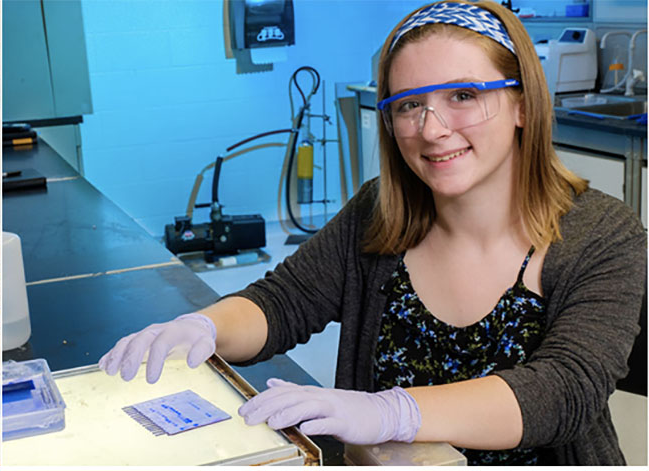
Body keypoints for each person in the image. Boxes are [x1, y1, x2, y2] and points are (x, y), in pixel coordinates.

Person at [98, 0, 645, 465]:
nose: (432, 130)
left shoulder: (603, 236)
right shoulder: (377, 214)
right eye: (409, 105)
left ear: (522, 102)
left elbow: (566, 388)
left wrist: (392, 411)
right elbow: (282, 302)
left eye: (463, 95)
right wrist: (204, 327)